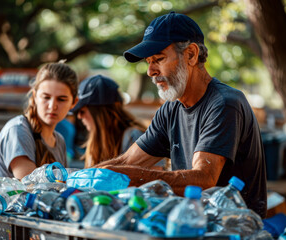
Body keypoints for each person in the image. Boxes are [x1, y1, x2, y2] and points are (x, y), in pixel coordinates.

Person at [94, 12, 267, 218]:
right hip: (192, 221)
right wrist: (84, 178)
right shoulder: (171, 109)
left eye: (158, 59)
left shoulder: (225, 103)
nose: (150, 71)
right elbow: (126, 163)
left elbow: (204, 178)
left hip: (235, 228)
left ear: (191, 55)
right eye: (148, 62)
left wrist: (132, 177)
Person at [0, 62, 78, 179]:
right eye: (46, 97)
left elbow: (60, 188)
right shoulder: (18, 130)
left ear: (74, 103)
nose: (52, 106)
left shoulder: (59, 141)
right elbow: (31, 189)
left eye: (61, 99)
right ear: (35, 96)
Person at [71, 74, 147, 168]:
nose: (79, 116)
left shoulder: (134, 136)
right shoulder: (95, 141)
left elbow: (153, 175)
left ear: (99, 113)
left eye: (82, 111)